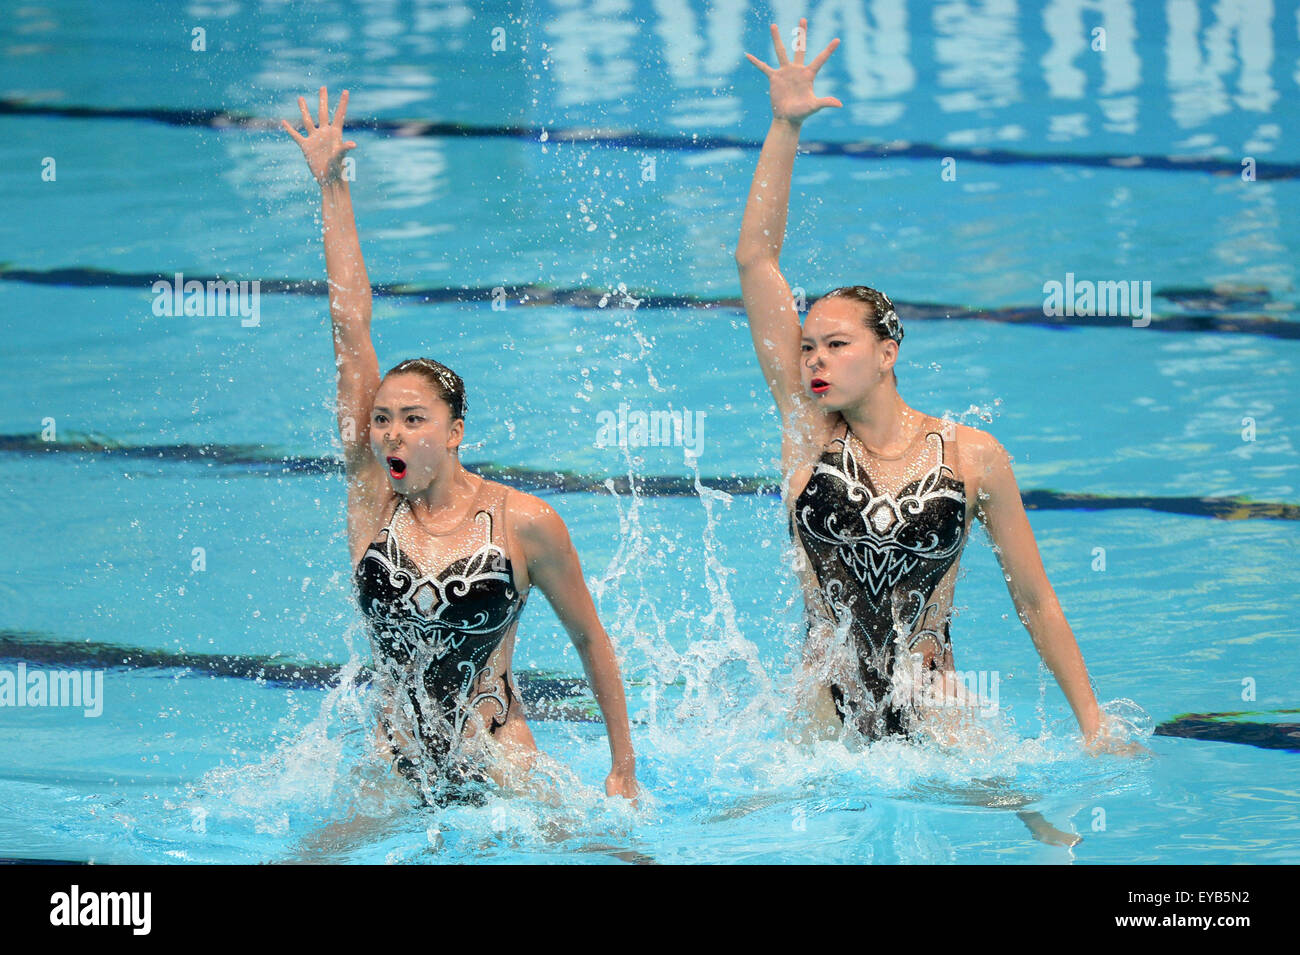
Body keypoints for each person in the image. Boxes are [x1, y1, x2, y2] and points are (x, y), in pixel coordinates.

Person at [735, 20, 1138, 755]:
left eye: (836, 344)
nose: (814, 360)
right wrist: (784, 127)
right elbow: (755, 262)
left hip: (937, 713)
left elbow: (1036, 600)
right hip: (823, 725)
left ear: (887, 352)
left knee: (1036, 824)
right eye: (806, 347)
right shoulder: (808, 429)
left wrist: (1093, 721)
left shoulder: (971, 455)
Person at [281, 87, 639, 804]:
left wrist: (623, 767)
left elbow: (591, 641)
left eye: (412, 419)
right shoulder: (373, 496)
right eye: (382, 419)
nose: (390, 434)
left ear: (455, 432)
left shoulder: (525, 522)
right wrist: (331, 186)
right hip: (394, 764)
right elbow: (350, 327)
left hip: (501, 761)